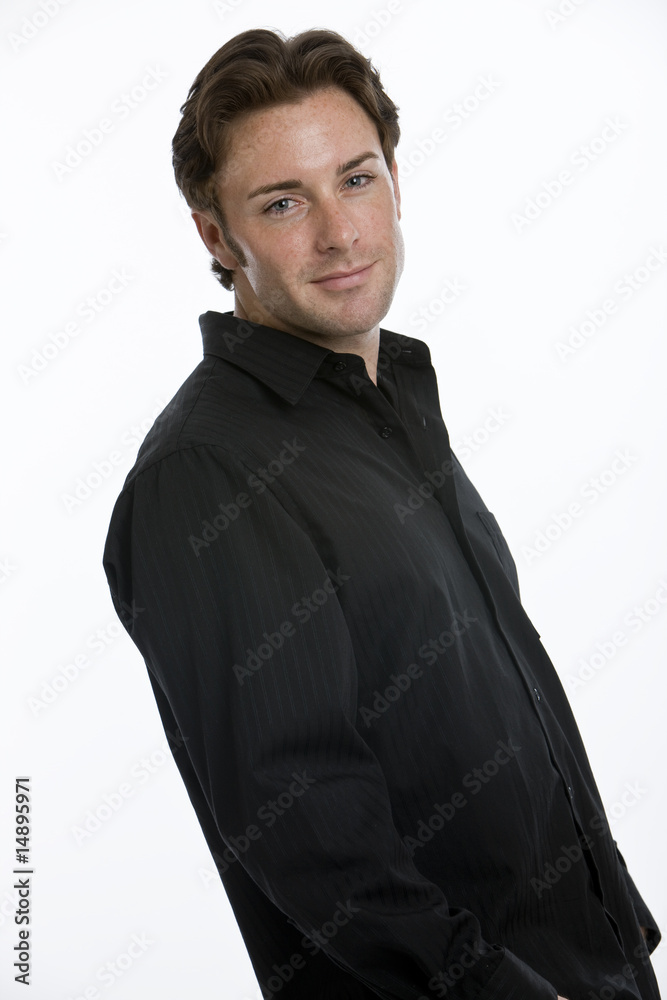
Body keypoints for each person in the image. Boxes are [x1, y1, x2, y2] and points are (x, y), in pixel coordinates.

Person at [102, 27, 661, 1000]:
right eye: (283, 202)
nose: (339, 233)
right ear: (215, 236)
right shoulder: (207, 473)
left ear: (394, 182)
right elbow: (314, 838)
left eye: (355, 180)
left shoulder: (389, 402)